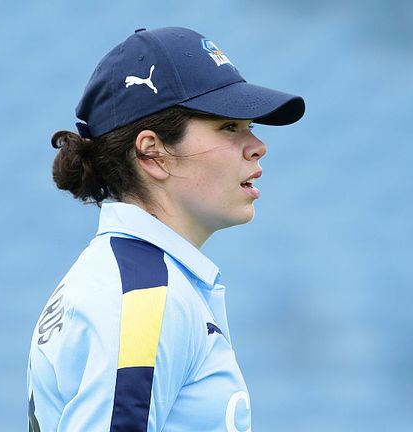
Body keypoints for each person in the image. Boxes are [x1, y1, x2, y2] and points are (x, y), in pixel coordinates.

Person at [27, 26, 304, 432]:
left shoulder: (132, 280)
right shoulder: (143, 297)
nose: (257, 144)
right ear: (153, 153)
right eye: (229, 127)